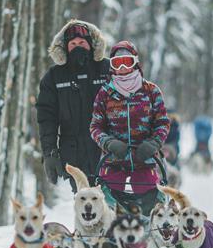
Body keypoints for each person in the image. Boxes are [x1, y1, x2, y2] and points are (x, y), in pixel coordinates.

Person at [89, 41, 171, 216]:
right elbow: (96, 126)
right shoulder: (105, 94)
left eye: (127, 61)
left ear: (135, 62)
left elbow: (162, 123)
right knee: (111, 211)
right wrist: (109, 143)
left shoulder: (151, 91)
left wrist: (153, 143)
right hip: (113, 162)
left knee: (151, 211)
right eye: (118, 63)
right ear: (112, 67)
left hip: (146, 161)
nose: (123, 67)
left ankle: (150, 239)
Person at [35, 19, 111, 191]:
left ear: (91, 44)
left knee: (110, 208)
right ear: (65, 47)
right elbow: (46, 117)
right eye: (73, 43)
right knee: (87, 208)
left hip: (107, 152)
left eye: (82, 42)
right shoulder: (54, 77)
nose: (78, 46)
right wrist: (50, 153)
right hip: (74, 155)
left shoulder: (107, 69)